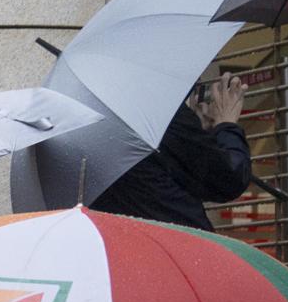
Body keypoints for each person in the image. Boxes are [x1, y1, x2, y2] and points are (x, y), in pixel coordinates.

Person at [93, 72, 253, 231]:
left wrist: (199, 133)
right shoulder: (157, 109)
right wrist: (227, 123)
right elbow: (228, 179)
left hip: (121, 243)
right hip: (177, 240)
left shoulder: (96, 117)